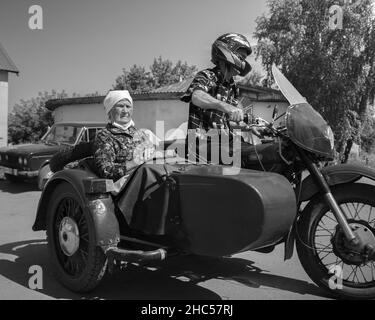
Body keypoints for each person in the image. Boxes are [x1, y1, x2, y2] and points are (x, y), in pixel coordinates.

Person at [180, 33, 253, 161]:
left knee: (260, 153)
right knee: (243, 157)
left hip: (224, 142)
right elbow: (196, 96)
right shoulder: (207, 75)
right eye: (240, 58)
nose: (242, 64)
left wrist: (250, 127)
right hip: (202, 143)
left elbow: (228, 121)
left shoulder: (232, 86)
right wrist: (226, 107)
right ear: (227, 54)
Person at [93, 90, 155, 182]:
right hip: (127, 189)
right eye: (120, 106)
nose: (125, 111)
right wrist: (135, 162)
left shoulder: (140, 134)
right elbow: (106, 170)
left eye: (128, 106)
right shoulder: (104, 136)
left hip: (149, 179)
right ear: (110, 110)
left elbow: (153, 153)